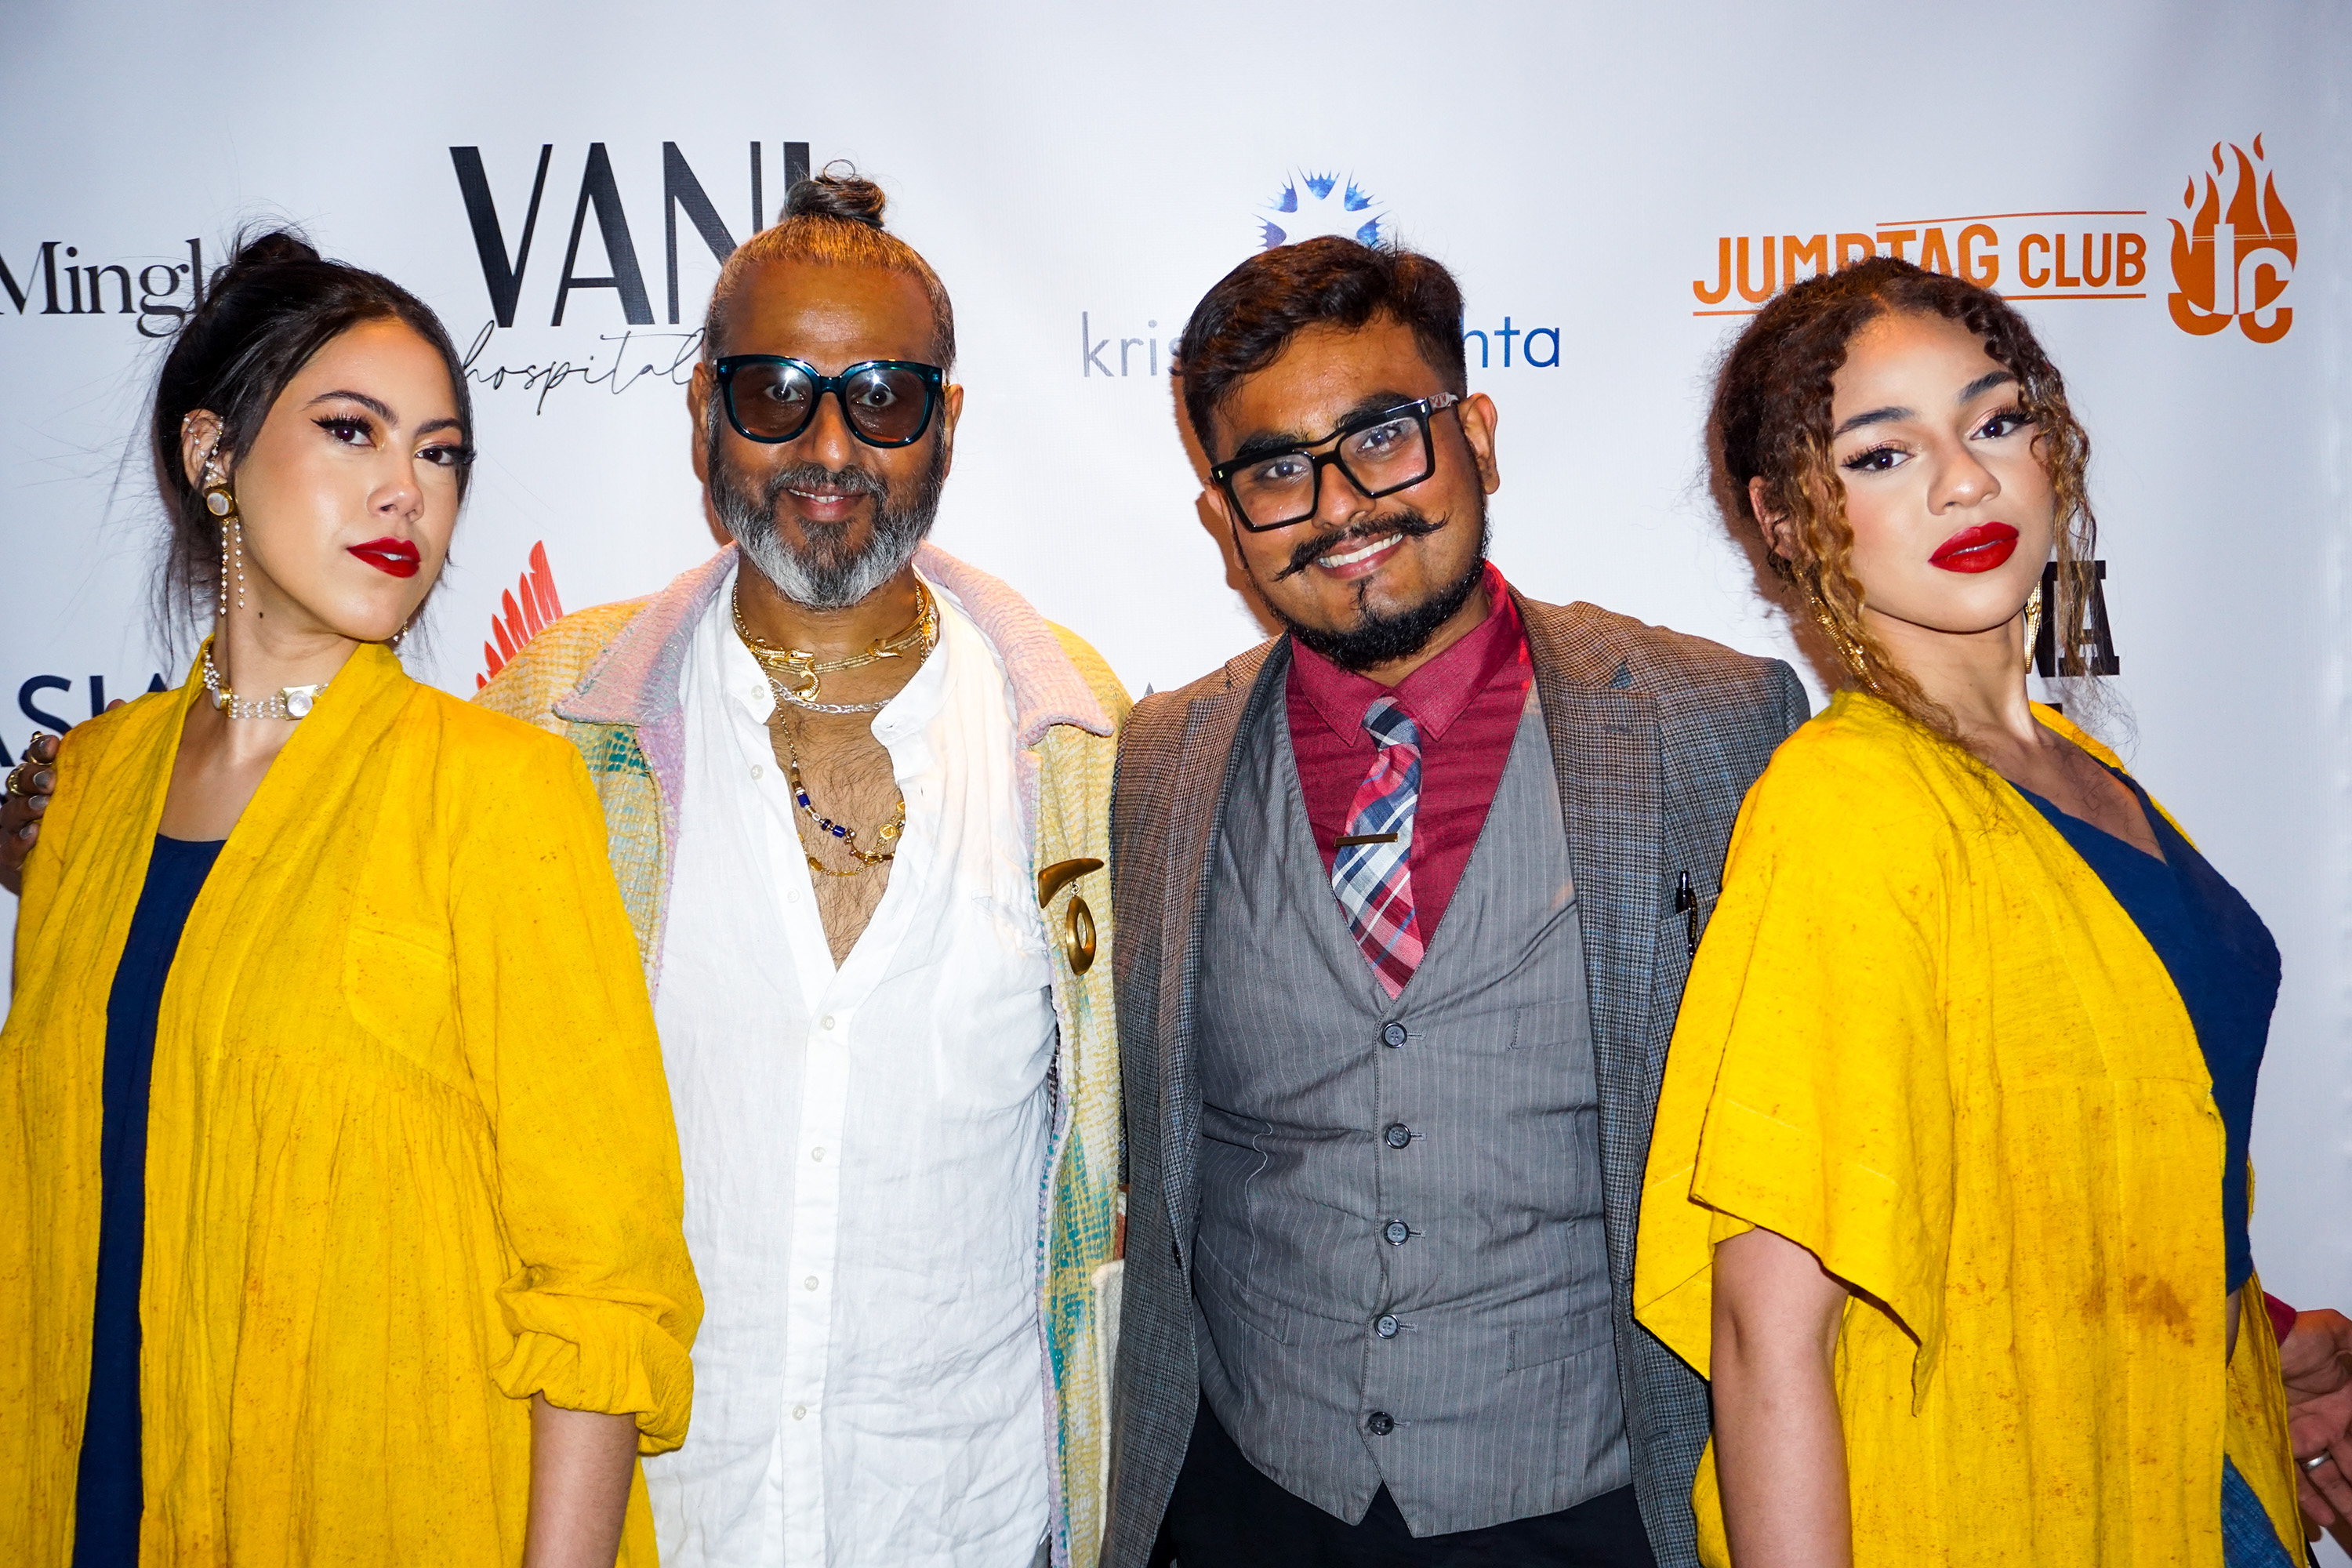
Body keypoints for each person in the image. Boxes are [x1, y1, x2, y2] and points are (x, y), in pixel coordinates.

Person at [1633, 255, 2352, 1566]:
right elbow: (1764, 1330)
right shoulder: (1848, 803)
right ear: (1785, 518)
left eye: (1995, 420)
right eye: (1880, 455)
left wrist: (2272, 1346)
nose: (1965, 479)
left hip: (2204, 1477)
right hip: (1985, 1502)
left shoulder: (2089, 778)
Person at [1103, 236, 1809, 1568]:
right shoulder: (1157, 762)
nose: (1340, 505)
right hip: (1255, 1507)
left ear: (1477, 432)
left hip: (1604, 1510)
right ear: (1223, 517)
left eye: (1383, 437)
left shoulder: (1714, 725)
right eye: (1274, 471)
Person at [0, 231, 699, 1565]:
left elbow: (604, 1279)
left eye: (440, 454)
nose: (407, 494)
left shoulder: (497, 793)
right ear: (213, 455)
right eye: (352, 433)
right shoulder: (82, 796)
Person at [467, 170, 1127, 1568]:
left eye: (882, 397)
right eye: (777, 391)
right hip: (648, 1516)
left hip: (972, 1521)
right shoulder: (550, 714)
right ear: (705, 413)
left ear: (946, 424)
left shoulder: (1075, 736)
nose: (829, 444)